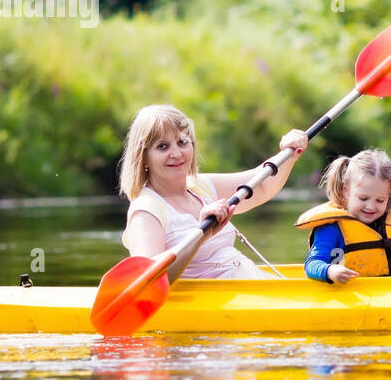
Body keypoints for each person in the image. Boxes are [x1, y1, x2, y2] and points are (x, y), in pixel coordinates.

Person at [119, 104, 307, 278]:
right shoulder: (146, 210)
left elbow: (262, 185)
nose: (176, 153)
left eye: (182, 142)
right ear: (143, 157)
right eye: (162, 146)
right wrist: (200, 236)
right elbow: (149, 279)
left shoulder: (201, 186)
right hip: (213, 303)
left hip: (247, 283)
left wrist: (289, 153)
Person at [297, 149, 391, 282]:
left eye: (380, 200)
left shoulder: (381, 224)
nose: (371, 206)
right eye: (363, 198)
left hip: (383, 295)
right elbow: (311, 265)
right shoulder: (332, 228)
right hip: (343, 298)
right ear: (346, 190)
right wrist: (329, 271)